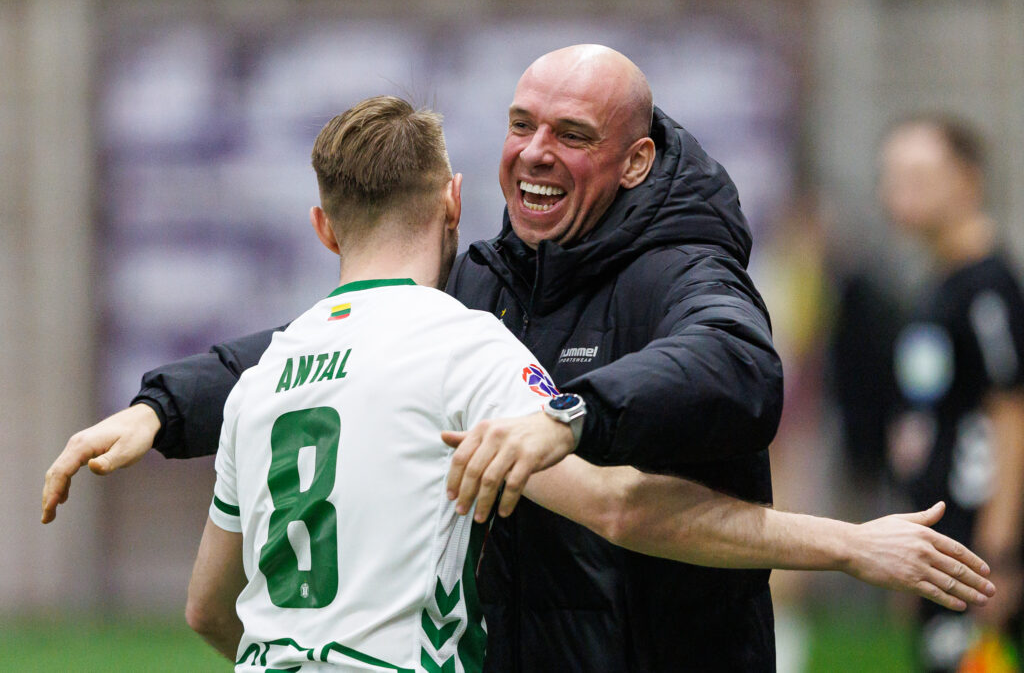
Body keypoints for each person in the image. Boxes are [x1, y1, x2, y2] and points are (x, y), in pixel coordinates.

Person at [36, 47, 981, 670]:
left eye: (573, 135)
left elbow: (733, 370)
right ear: (455, 192)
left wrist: (573, 414)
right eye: (522, 124)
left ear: (637, 162)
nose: (535, 153)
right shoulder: (475, 297)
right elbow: (302, 345)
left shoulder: (683, 269)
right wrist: (162, 407)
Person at [881, 114, 1024, 672]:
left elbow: (1010, 411)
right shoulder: (938, 282)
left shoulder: (988, 287)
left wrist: (999, 552)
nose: (900, 192)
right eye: (893, 177)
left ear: (967, 180)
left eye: (918, 176)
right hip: (942, 540)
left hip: (975, 546)